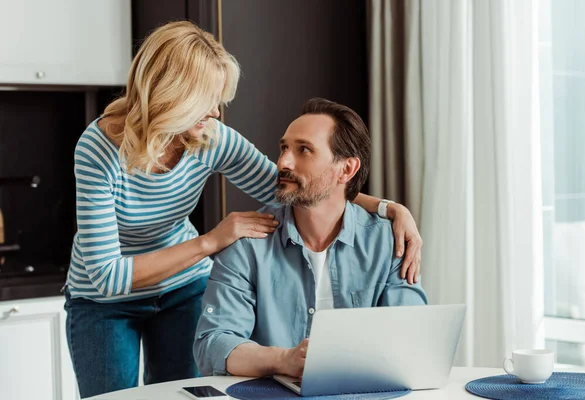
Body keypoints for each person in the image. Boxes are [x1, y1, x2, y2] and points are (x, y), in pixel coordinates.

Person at [64, 21, 423, 398]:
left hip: (181, 288)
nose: (217, 113)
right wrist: (210, 243)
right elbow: (107, 275)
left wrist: (388, 208)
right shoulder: (98, 151)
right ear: (173, 97)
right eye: (207, 100)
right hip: (103, 301)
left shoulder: (206, 138)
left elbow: (294, 183)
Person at [194, 98, 428, 378]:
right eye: (284, 148)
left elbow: (412, 340)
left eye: (304, 150)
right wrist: (282, 360)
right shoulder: (247, 241)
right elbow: (213, 344)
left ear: (347, 169)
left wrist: (391, 208)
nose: (283, 162)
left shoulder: (390, 241)